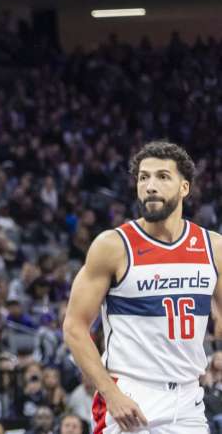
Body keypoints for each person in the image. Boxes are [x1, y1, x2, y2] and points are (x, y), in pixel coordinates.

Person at [63, 141, 220, 434]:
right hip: (130, 395)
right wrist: (110, 393)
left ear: (184, 188)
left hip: (187, 398)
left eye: (162, 176)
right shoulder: (113, 246)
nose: (150, 185)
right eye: (143, 177)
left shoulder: (213, 248)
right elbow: (74, 327)